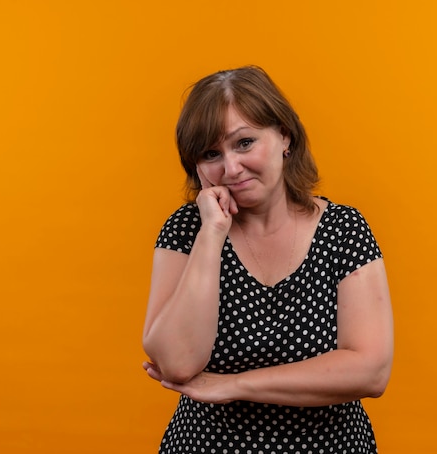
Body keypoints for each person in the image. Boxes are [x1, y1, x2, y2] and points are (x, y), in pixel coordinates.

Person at [142, 65, 393, 453]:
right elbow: (176, 363)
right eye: (211, 153)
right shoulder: (187, 230)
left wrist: (237, 384)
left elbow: (371, 370)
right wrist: (211, 233)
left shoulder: (344, 229)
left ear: (284, 136)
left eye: (244, 143)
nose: (230, 168)